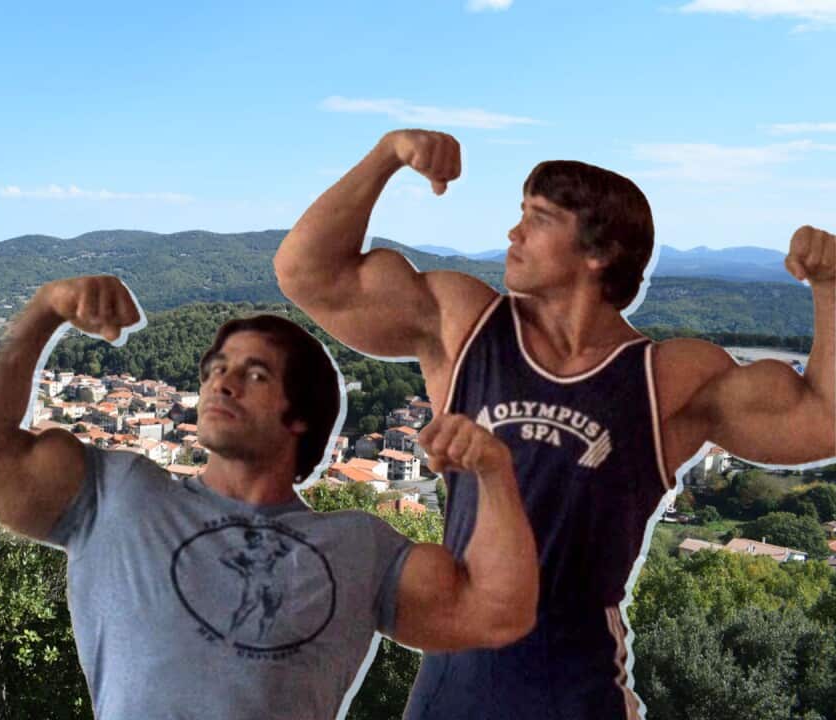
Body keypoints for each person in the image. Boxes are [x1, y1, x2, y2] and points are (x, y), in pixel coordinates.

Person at [273, 128, 836, 720]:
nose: (513, 233)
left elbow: (821, 421)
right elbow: (306, 275)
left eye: (538, 218)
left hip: (579, 694)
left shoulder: (667, 378)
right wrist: (387, 154)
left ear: (599, 253)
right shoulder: (464, 324)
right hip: (451, 691)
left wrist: (829, 285)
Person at [0, 274, 539, 720]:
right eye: (217, 370)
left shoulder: (357, 546)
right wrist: (45, 311)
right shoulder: (116, 490)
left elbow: (496, 614)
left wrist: (495, 472)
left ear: (300, 416)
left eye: (256, 375)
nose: (222, 382)